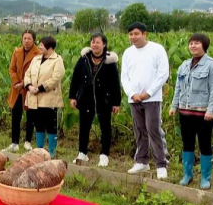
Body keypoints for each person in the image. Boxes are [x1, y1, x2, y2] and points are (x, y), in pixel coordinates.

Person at [170, 33, 213, 190]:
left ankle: (205, 178)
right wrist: (174, 106)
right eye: (191, 43)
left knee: (205, 144)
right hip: (185, 112)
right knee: (187, 144)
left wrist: (211, 110)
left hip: (203, 113)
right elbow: (178, 88)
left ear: (204, 46)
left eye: (197, 43)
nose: (193, 46)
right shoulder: (184, 65)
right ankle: (187, 174)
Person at [121, 22, 170, 179]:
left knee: (153, 129)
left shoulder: (157, 49)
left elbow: (163, 74)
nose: (133, 37)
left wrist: (148, 93)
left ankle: (161, 164)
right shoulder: (128, 53)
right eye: (130, 34)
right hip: (134, 98)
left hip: (152, 99)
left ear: (144, 34)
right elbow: (124, 76)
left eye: (136, 34)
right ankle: (142, 161)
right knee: (139, 130)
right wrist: (132, 93)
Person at [69, 33, 121, 167]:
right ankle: (82, 153)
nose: (94, 45)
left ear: (104, 44)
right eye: (92, 42)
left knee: (105, 127)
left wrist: (116, 102)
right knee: (84, 126)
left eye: (97, 42)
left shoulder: (110, 62)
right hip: (86, 98)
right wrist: (73, 96)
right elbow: (75, 78)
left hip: (104, 99)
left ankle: (104, 155)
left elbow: (115, 83)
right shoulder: (83, 59)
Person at [23, 36, 65, 158]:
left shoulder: (57, 60)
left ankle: (51, 152)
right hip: (34, 97)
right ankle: (39, 151)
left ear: (49, 46)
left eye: (41, 45)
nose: (39, 47)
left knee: (51, 126)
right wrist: (29, 86)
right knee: (39, 125)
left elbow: (56, 78)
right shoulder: (36, 59)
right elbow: (28, 74)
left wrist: (40, 88)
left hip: (49, 99)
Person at [4, 30, 40, 152]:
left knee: (31, 116)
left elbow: (36, 72)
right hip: (17, 89)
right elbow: (12, 69)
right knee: (16, 115)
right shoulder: (17, 52)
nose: (26, 41)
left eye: (29, 38)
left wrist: (24, 83)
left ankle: (28, 141)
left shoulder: (38, 53)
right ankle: (14, 142)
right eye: (24, 38)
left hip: (30, 88)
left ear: (34, 40)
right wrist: (16, 83)